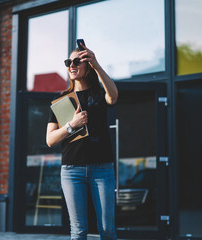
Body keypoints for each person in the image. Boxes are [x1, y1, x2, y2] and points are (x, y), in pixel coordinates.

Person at [46, 43, 118, 240]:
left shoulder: (98, 94)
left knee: (108, 229)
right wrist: (72, 125)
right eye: (68, 62)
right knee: (78, 231)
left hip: (102, 169)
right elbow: (50, 139)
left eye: (77, 61)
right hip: (72, 170)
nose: (71, 65)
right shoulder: (62, 101)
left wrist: (96, 63)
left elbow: (113, 96)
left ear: (87, 66)